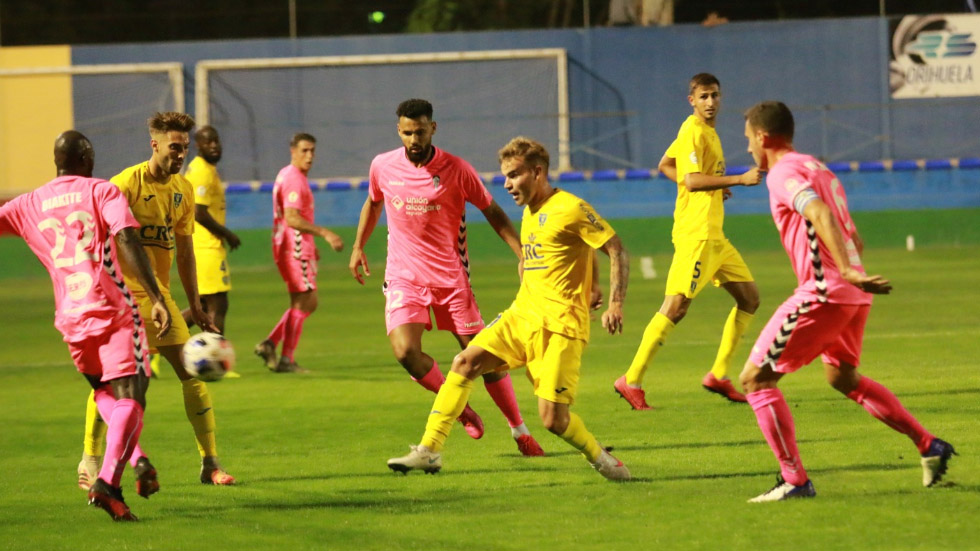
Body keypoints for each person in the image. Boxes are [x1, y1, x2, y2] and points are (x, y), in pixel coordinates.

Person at [739, 101, 955, 502]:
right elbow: (851, 233)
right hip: (851, 295)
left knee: (755, 379)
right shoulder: (818, 167)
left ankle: (794, 481)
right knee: (842, 378)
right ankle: (929, 445)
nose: (748, 147)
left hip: (825, 290)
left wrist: (847, 272)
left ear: (763, 137)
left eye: (749, 139)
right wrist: (853, 271)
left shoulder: (782, 172)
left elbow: (818, 211)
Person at [387, 136, 630, 478]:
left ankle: (598, 455)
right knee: (464, 362)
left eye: (514, 175)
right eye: (505, 176)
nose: (507, 184)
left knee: (553, 420)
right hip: (522, 315)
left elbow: (614, 247)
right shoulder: (531, 210)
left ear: (538, 172)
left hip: (560, 327)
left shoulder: (571, 207)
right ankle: (430, 450)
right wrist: (590, 282)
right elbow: (574, 247)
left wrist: (614, 302)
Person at [350, 99, 544, 457]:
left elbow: (492, 210)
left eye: (420, 131)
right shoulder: (383, 166)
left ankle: (520, 431)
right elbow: (374, 201)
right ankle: (460, 408)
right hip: (404, 277)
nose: (414, 138)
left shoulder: (456, 169)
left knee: (486, 358)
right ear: (399, 131)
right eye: (407, 132)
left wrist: (523, 254)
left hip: (452, 280)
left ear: (433, 129)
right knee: (406, 351)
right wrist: (358, 246)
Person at [0, 131, 173, 521]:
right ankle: (108, 483)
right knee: (134, 394)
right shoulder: (102, 191)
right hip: (111, 308)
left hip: (71, 317)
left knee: (103, 392)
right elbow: (126, 236)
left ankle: (139, 460)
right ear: (88, 157)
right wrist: (157, 298)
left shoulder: (28, 203)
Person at [77, 112, 237, 488]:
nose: (179, 154)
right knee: (113, 384)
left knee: (193, 374)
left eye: (183, 147)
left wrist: (195, 305)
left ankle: (210, 464)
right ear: (155, 145)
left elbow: (185, 252)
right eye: (173, 147)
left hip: (160, 298)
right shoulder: (124, 185)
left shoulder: (182, 189)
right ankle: (89, 458)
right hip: (122, 301)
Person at [615, 73, 762, 409]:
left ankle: (719, 375)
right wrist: (738, 179)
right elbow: (692, 181)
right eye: (704, 97)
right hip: (695, 234)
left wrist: (714, 184)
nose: (710, 103)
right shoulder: (692, 130)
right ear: (692, 100)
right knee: (676, 307)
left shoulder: (706, 132)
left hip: (715, 237)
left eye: (715, 96)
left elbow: (668, 166)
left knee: (750, 299)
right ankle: (631, 379)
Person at [254, 133, 344, 373]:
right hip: (293, 248)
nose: (310, 156)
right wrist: (324, 234)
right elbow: (292, 218)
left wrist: (311, 244)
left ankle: (271, 344)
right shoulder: (294, 179)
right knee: (306, 301)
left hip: (291, 246)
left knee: (303, 302)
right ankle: (285, 358)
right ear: (293, 151)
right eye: (304, 150)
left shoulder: (287, 174)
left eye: (312, 150)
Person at [181, 125, 241, 337]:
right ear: (197, 146)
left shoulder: (205, 169)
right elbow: (199, 212)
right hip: (205, 246)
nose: (214, 145)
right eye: (208, 142)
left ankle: (156, 345)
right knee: (218, 304)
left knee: (204, 307)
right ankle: (216, 360)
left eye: (216, 141)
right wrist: (227, 234)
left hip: (202, 246)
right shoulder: (201, 172)